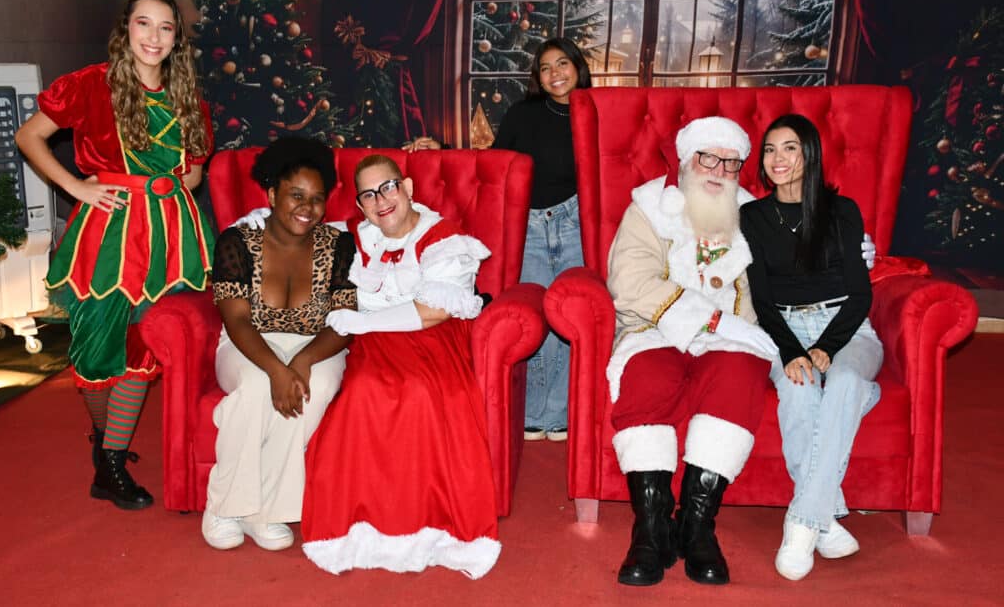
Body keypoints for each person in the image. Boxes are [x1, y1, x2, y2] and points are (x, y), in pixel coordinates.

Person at [15, 0, 213, 510]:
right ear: (126, 29)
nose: (153, 37)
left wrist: (164, 194)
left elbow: (193, 173)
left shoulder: (187, 96)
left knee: (145, 344)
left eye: (165, 27)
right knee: (96, 347)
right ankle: (106, 443)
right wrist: (74, 187)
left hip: (168, 237)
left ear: (176, 38)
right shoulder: (90, 84)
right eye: (143, 23)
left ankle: (110, 463)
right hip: (108, 234)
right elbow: (30, 136)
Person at [299, 154, 501, 579]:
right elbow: (293, 227)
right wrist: (255, 223)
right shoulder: (355, 236)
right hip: (376, 343)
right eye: (368, 195)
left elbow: (433, 312)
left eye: (388, 187)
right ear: (360, 205)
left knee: (422, 394)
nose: (381, 201)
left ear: (407, 188)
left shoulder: (442, 238)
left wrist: (362, 322)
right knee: (362, 394)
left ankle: (430, 525)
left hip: (432, 337)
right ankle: (361, 527)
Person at [605, 116, 777, 587]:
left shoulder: (755, 217)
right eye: (708, 158)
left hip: (730, 337)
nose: (719, 171)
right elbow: (630, 281)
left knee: (740, 375)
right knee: (647, 377)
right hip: (655, 329)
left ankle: (697, 525)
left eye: (731, 163)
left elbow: (788, 269)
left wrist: (845, 249)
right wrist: (707, 318)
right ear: (686, 161)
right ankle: (651, 528)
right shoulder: (648, 208)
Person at [405, 36, 592, 442]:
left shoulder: (595, 112)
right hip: (531, 226)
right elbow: (492, 164)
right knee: (537, 313)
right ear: (538, 77)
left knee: (570, 315)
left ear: (578, 67)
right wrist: (443, 151)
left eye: (562, 64)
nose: (555, 74)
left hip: (576, 221)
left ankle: (558, 412)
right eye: (546, 68)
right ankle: (535, 412)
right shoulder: (523, 114)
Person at [740, 114, 883, 581]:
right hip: (784, 329)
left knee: (842, 379)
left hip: (848, 327)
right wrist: (792, 351)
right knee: (800, 390)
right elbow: (762, 299)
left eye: (789, 148)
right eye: (769, 149)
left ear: (810, 155)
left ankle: (800, 525)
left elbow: (860, 295)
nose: (777, 158)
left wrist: (826, 346)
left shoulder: (843, 211)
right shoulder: (753, 217)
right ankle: (825, 520)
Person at [202, 138, 355, 552]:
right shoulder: (237, 241)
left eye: (317, 199)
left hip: (318, 344)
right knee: (255, 386)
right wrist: (275, 370)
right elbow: (236, 319)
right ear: (272, 195)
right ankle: (224, 505)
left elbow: (344, 322)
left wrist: (302, 362)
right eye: (296, 195)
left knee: (314, 387)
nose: (308, 207)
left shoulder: (339, 245)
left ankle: (266, 511)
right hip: (249, 342)